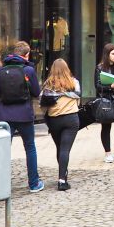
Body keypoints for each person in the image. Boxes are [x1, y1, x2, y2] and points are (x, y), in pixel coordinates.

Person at [0, 41, 43, 193]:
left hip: (4, 115)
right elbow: (36, 91)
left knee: (3, 150)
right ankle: (34, 183)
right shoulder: (28, 70)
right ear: (26, 55)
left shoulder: (0, 71)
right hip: (24, 114)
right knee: (30, 148)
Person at [41, 58, 81, 191]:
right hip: (71, 119)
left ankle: (63, 174)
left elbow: (43, 105)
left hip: (54, 120)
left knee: (60, 147)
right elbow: (78, 99)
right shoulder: (74, 83)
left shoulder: (48, 85)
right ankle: (62, 180)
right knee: (65, 149)